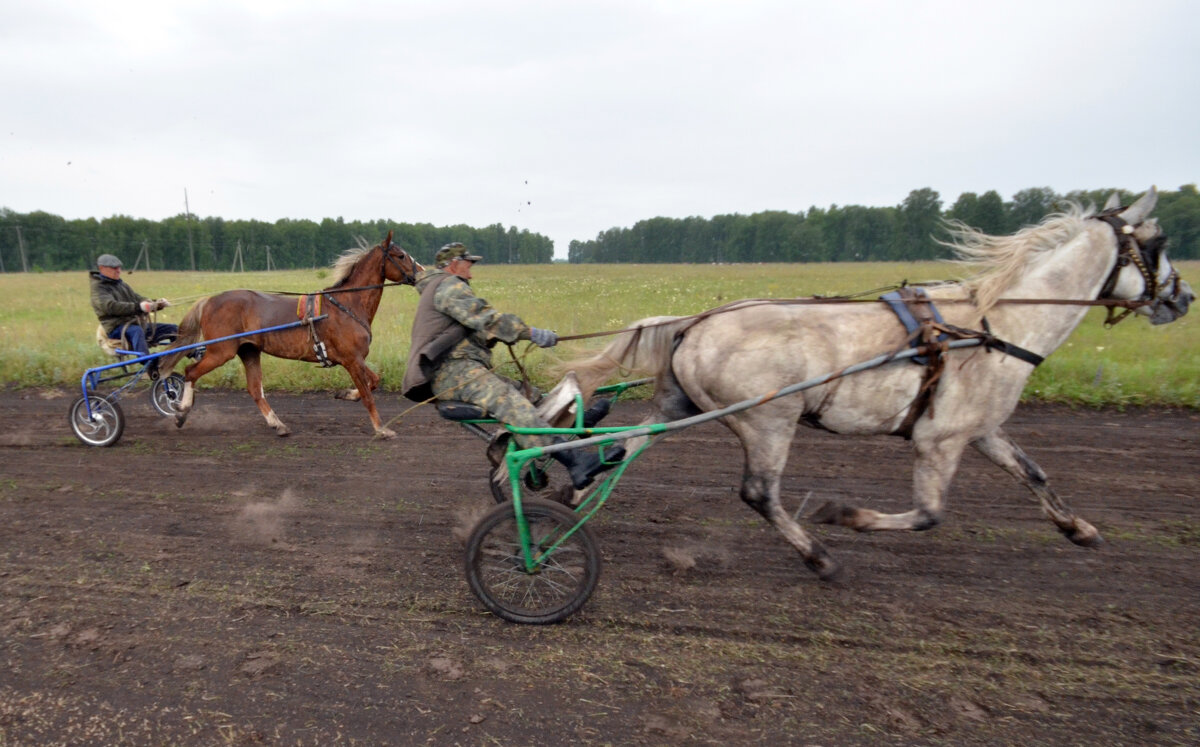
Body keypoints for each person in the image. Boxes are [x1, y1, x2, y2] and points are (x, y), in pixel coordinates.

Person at [402, 242, 623, 489]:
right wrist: (529, 333)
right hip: (453, 371)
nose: (471, 271)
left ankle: (575, 422)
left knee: (530, 396)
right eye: (468, 264)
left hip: (460, 368)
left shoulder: (441, 287)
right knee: (509, 400)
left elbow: (472, 330)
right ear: (454, 264)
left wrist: (499, 335)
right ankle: (576, 461)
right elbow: (485, 318)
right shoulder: (448, 285)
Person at [89, 253, 178, 368]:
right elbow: (111, 306)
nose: (118, 270)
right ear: (102, 268)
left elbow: (138, 298)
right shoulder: (98, 288)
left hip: (135, 325)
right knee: (136, 331)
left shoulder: (121, 284)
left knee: (173, 329)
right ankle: (147, 361)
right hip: (116, 328)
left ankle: (191, 353)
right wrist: (139, 307)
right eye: (114, 268)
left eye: (119, 267)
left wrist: (156, 303)